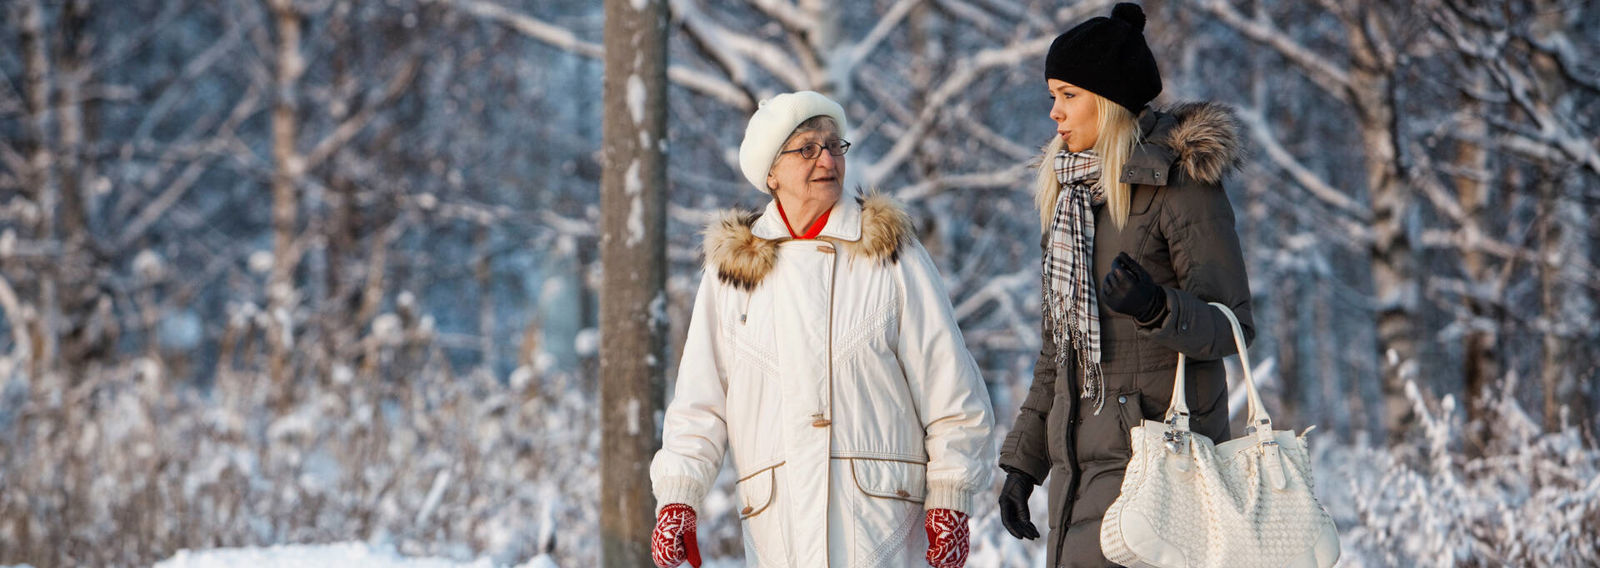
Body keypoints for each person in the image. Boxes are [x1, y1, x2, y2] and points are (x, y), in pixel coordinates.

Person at [649, 91, 996, 568]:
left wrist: (951, 498)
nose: (828, 159)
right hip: (779, 531)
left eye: (835, 145)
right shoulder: (732, 274)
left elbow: (951, 391)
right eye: (807, 148)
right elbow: (698, 404)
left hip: (882, 527)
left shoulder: (890, 253)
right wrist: (677, 499)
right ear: (771, 172)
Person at [995, 4, 1254, 566]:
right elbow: (1057, 352)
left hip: (1157, 461)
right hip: (1077, 465)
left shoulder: (1181, 187)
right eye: (1052, 96)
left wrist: (1157, 308)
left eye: (1068, 95)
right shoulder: (1069, 203)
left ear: (1108, 100)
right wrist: (1024, 463)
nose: (1054, 113)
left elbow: (1233, 327)